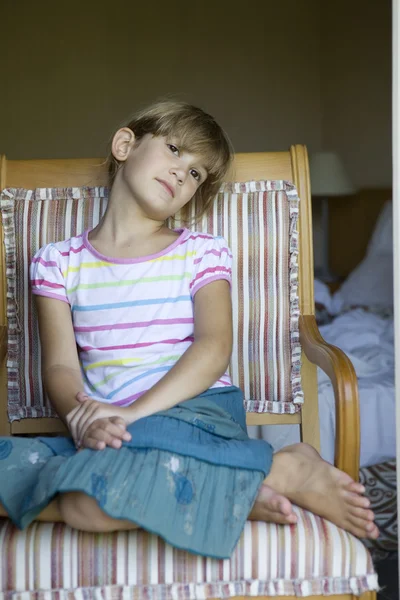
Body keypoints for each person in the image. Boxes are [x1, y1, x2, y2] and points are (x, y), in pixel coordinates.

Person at [0, 101, 378, 558]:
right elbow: (60, 363)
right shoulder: (56, 262)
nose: (183, 174)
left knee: (85, 505)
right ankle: (253, 484)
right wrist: (81, 417)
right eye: (175, 150)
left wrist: (133, 415)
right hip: (113, 426)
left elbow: (214, 347)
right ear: (125, 145)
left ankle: (286, 472)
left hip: (195, 410)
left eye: (197, 173)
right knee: (70, 489)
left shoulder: (201, 251)